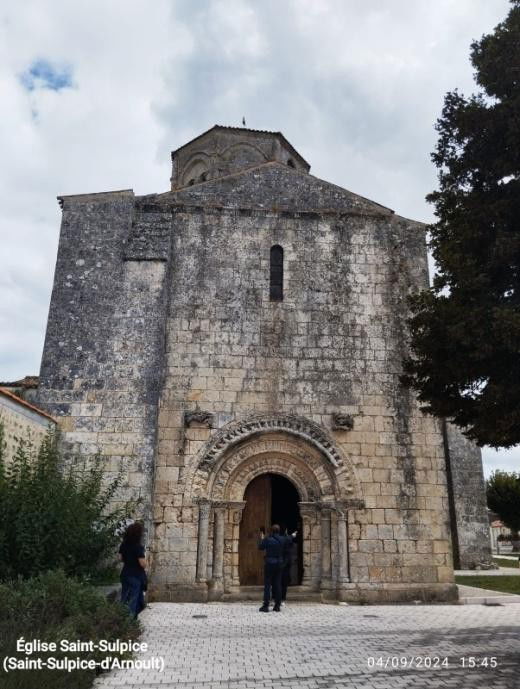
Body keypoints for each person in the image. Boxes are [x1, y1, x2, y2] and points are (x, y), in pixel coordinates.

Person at [119, 522, 147, 619]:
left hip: (125, 574)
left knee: (125, 597)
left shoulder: (124, 545)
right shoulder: (138, 547)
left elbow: (121, 559)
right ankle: (129, 622)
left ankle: (123, 617)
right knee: (133, 600)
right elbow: (142, 563)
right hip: (135, 576)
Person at [258, 524, 284, 612]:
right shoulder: (282, 539)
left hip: (269, 563)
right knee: (278, 584)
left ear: (272, 531)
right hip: (279, 563)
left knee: (268, 585)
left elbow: (260, 547)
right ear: (279, 531)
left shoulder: (268, 539)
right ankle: (277, 606)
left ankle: (265, 606)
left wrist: (262, 538)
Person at [280, 524, 297, 606]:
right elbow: (287, 541)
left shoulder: (277, 539)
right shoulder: (285, 539)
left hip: (281, 563)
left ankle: (277, 598)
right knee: (283, 582)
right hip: (284, 564)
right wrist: (291, 536)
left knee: (278, 582)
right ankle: (282, 599)